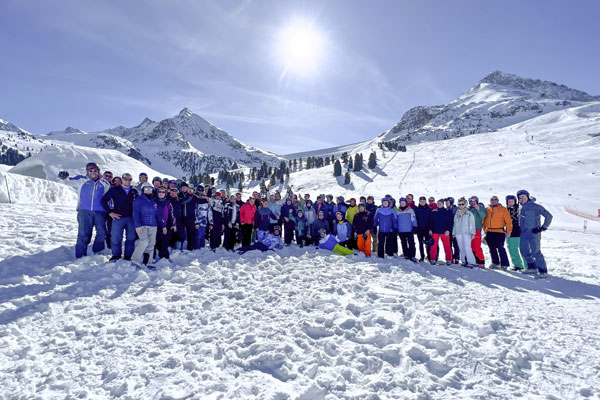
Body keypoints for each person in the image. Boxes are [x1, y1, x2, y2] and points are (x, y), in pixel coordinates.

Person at [58, 162, 111, 258]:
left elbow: (109, 197)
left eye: (95, 171)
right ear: (87, 171)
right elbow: (68, 182)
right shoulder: (81, 179)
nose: (93, 172)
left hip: (100, 212)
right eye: (90, 171)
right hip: (84, 211)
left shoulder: (105, 183)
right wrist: (63, 177)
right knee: (84, 233)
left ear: (98, 171)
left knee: (102, 232)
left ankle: (98, 251)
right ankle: (81, 255)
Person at [101, 172, 138, 261]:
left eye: (129, 179)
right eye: (125, 179)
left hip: (131, 218)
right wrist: (110, 212)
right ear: (122, 180)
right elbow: (104, 200)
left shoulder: (133, 190)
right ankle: (116, 255)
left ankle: (128, 255)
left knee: (131, 237)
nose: (127, 181)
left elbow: (138, 203)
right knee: (116, 237)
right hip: (118, 217)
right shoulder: (115, 189)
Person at [517, 190, 553, 277]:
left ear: (527, 197)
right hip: (524, 232)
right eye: (520, 198)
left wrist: (543, 227)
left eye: (523, 197)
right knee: (523, 250)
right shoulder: (521, 208)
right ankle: (532, 267)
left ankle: (543, 271)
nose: (522, 199)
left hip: (534, 232)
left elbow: (549, 216)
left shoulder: (535, 206)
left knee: (535, 251)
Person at [132, 183, 160, 266]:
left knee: (151, 244)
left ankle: (148, 262)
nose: (148, 191)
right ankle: (135, 260)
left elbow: (157, 213)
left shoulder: (154, 200)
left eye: (150, 189)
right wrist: (137, 225)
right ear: (143, 190)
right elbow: (135, 213)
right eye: (146, 189)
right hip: (142, 225)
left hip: (153, 225)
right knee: (144, 241)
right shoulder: (139, 199)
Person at [483, 195, 512, 269]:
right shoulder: (487, 209)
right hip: (489, 231)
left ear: (498, 200)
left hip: (499, 231)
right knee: (491, 248)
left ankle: (504, 264)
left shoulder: (503, 209)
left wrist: (509, 231)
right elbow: (484, 220)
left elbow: (508, 221)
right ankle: (495, 263)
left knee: (500, 248)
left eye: (495, 199)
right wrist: (485, 229)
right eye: (492, 199)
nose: (494, 201)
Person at [452, 198, 477, 267]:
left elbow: (472, 224)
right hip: (458, 233)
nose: (461, 205)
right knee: (461, 247)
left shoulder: (469, 213)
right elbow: (455, 224)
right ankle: (463, 261)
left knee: (467, 247)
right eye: (459, 204)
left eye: (462, 204)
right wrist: (454, 233)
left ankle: (471, 262)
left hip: (466, 233)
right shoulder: (456, 214)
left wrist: (472, 233)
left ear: (465, 204)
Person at [428, 200, 453, 265]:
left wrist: (448, 230)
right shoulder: (433, 212)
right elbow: (430, 222)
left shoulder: (447, 212)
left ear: (443, 204)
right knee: (433, 246)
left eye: (441, 203)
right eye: (438, 203)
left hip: (444, 232)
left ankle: (449, 259)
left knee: (447, 246)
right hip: (435, 231)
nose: (439, 204)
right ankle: (433, 259)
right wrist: (430, 229)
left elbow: (451, 222)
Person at [155, 186, 175, 261]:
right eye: (160, 191)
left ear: (165, 193)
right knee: (154, 243)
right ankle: (152, 258)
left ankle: (164, 259)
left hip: (165, 227)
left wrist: (169, 226)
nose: (161, 193)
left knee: (164, 243)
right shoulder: (153, 201)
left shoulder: (168, 203)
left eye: (163, 192)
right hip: (155, 226)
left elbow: (171, 215)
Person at [506, 195, 526, 271]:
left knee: (524, 250)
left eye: (512, 201)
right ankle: (518, 265)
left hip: (520, 233)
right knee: (512, 250)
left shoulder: (520, 208)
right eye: (509, 201)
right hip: (510, 233)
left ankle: (528, 266)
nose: (510, 202)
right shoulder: (505, 210)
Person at [468, 196, 487, 268]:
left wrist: (478, 208)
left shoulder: (480, 206)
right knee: (471, 246)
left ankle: (481, 261)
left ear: (476, 201)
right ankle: (474, 261)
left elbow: (483, 215)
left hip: (476, 230)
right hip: (469, 230)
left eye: (474, 200)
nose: (472, 202)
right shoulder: (469, 209)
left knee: (476, 246)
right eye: (470, 201)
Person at [414, 196, 432, 262]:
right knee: (420, 243)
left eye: (423, 201)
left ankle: (429, 256)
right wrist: (415, 229)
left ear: (425, 201)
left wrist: (430, 229)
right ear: (419, 201)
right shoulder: (416, 210)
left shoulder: (429, 209)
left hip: (427, 229)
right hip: (420, 229)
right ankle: (422, 256)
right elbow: (415, 220)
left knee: (428, 244)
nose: (422, 202)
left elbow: (431, 220)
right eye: (421, 201)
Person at [444, 197, 460, 263]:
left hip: (454, 229)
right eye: (445, 202)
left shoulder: (455, 209)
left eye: (447, 202)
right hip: (448, 229)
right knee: (449, 244)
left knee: (455, 244)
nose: (446, 203)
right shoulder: (447, 209)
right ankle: (451, 257)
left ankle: (456, 257)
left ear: (451, 202)